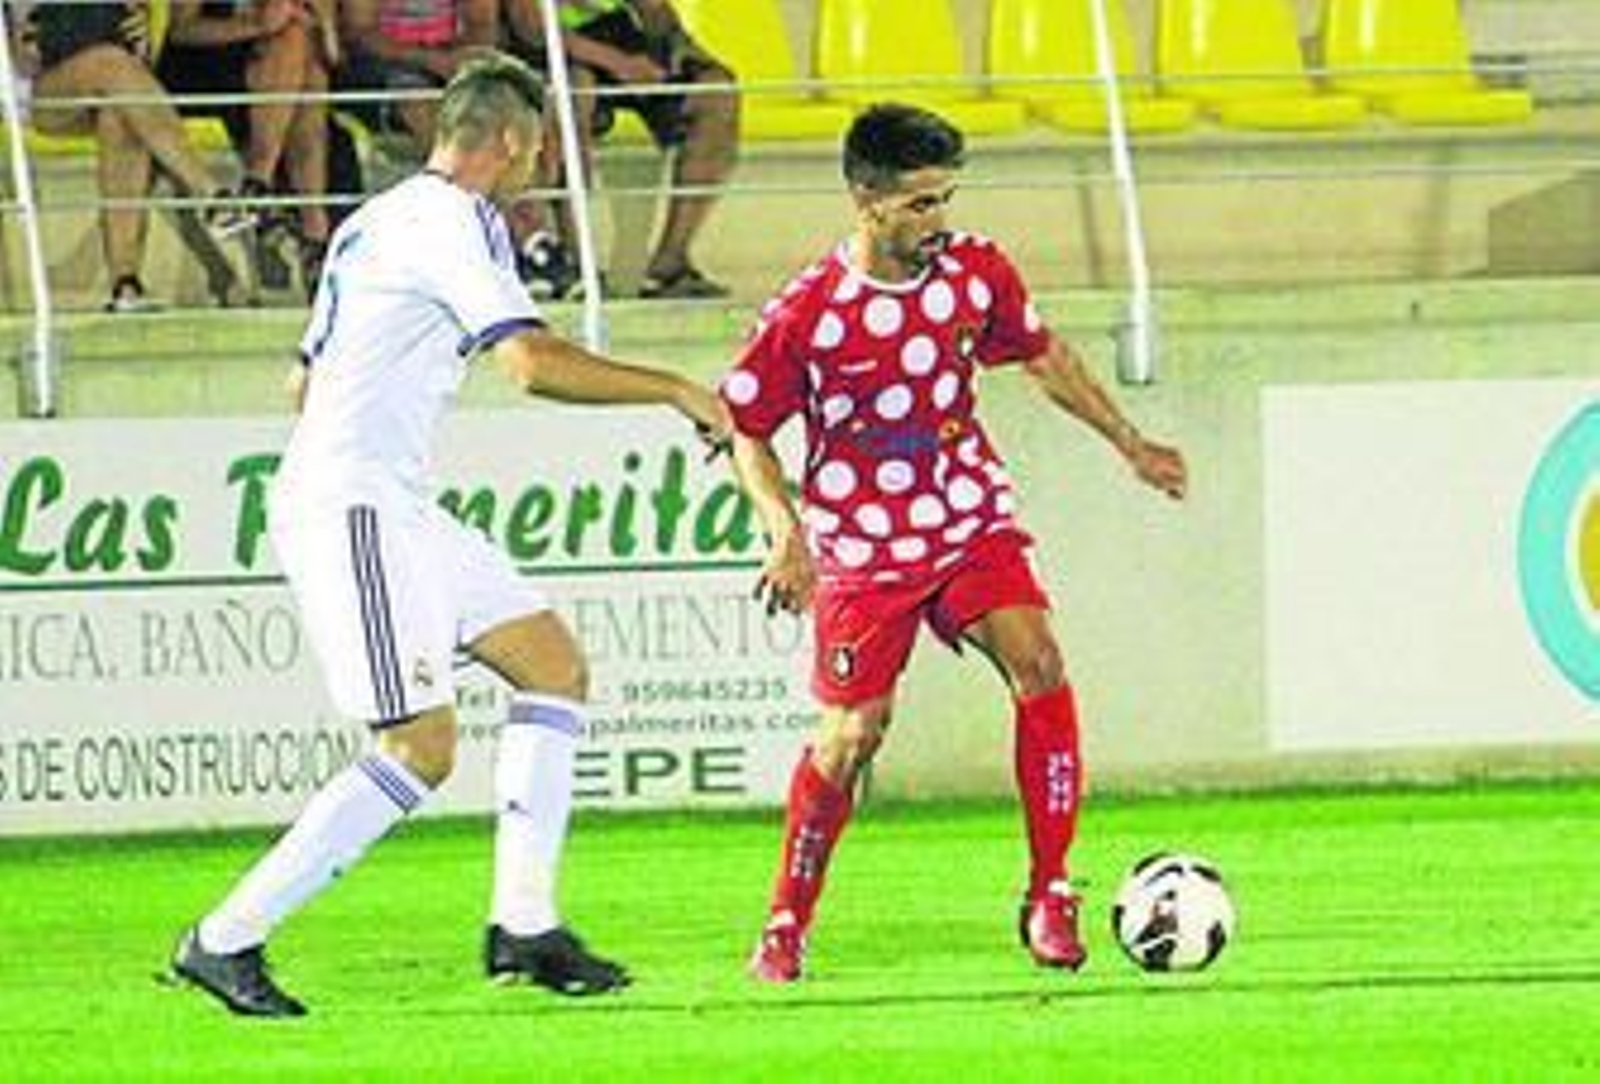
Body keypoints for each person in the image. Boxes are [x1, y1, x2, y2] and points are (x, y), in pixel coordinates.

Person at [171, 51, 731, 1017]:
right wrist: (677, 389)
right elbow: (527, 361)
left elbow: (300, 378)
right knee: (419, 746)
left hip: (390, 500)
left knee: (551, 665)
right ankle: (225, 939)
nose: (538, 165)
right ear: (513, 141)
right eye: (540, 146)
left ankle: (525, 925)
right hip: (356, 506)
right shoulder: (458, 220)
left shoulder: (373, 220)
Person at [720, 103, 1188, 983]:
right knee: (853, 735)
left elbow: (1043, 357)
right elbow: (744, 427)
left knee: (1040, 664)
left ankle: (1052, 891)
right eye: (920, 205)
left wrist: (1129, 442)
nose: (940, 221)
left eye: (946, 199)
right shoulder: (809, 313)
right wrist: (786, 533)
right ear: (867, 199)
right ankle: (786, 920)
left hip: (968, 516)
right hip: (862, 545)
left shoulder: (976, 273)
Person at [28, 0, 255, 311]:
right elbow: (22, 50)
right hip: (40, 93)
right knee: (110, 62)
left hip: (111, 84)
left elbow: (145, 37)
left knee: (119, 114)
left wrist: (142, 26)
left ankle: (125, 284)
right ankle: (211, 193)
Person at [502, 0, 738, 299]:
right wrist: (621, 64)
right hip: (551, 52)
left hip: (618, 36)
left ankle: (670, 263)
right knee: (574, 95)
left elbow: (654, 12)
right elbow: (532, 29)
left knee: (716, 91)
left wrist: (676, 46)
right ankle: (576, 262)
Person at [156, 0, 338, 296]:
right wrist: (256, 25)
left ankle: (261, 187)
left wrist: (318, 24)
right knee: (302, 64)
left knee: (305, 57)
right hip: (201, 59)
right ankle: (313, 231)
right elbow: (182, 30)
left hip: (275, 66)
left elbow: (331, 46)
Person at [338, 0, 500, 152]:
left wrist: (469, 57)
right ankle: (446, 173)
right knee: (416, 99)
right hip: (385, 59)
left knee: (489, 93)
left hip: (449, 51)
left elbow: (482, 24)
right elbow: (360, 32)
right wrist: (433, 60)